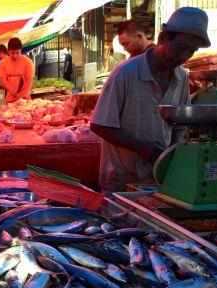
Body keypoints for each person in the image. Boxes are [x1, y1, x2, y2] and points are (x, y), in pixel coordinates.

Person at [90, 7, 210, 193]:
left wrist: (174, 154)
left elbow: (180, 125)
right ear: (163, 38)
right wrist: (140, 147)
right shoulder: (126, 73)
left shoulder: (181, 78)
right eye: (181, 47)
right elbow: (99, 125)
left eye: (191, 51)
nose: (184, 57)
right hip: (121, 182)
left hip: (158, 180)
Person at [0, 38, 35, 103]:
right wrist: (14, 92)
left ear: (21, 50)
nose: (15, 56)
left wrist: (22, 95)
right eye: (12, 53)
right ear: (8, 51)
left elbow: (29, 80)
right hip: (10, 99)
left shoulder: (28, 62)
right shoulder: (2, 63)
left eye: (17, 53)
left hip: (25, 99)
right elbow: (3, 80)